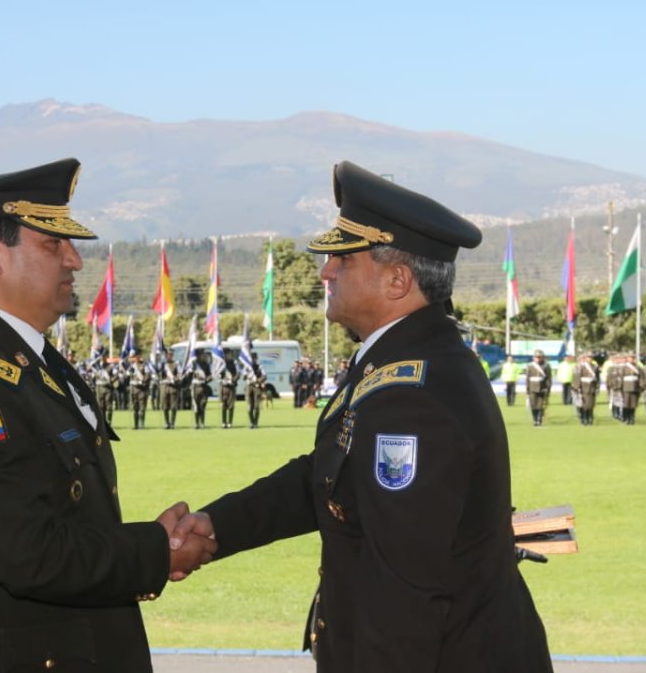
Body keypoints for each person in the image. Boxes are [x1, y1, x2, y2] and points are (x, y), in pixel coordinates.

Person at [171, 161, 551, 671]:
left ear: (397, 280)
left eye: (343, 260)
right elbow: (327, 477)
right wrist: (217, 525)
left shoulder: (412, 394)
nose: (325, 271)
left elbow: (405, 592)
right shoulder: (401, 361)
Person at [0, 158, 215, 673]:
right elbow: (30, 554)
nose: (75, 260)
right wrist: (156, 550)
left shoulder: (23, 354)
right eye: (53, 244)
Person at [525, 349, 551, 426]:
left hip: (542, 388)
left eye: (540, 357)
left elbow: (548, 379)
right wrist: (527, 389)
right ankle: (535, 419)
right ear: (534, 358)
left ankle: (539, 420)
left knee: (541, 405)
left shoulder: (546, 366)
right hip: (532, 387)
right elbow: (527, 378)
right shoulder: (530, 366)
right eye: (536, 357)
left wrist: (548, 388)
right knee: (533, 405)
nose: (538, 359)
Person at [574, 351, 599, 425]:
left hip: (592, 387)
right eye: (588, 357)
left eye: (591, 357)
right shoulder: (581, 367)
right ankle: (585, 418)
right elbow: (578, 377)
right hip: (583, 387)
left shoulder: (595, 366)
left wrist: (597, 387)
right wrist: (577, 387)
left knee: (591, 404)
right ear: (585, 358)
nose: (590, 359)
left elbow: (597, 378)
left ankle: (590, 418)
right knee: (584, 404)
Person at [189, 350, 212, 429]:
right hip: (195, 387)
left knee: (202, 406)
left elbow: (209, 375)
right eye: (202, 355)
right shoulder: (194, 364)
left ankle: (202, 423)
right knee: (196, 406)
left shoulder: (206, 365)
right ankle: (196, 423)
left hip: (203, 387)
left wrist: (207, 379)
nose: (203, 356)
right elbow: (189, 375)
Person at [245, 351, 266, 428]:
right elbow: (244, 376)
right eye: (252, 358)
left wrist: (258, 380)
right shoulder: (247, 367)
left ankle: (256, 422)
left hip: (257, 387)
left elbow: (264, 376)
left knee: (256, 407)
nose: (253, 360)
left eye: (254, 358)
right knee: (250, 407)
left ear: (256, 359)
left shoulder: (260, 367)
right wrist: (247, 376)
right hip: (249, 387)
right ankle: (251, 422)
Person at [219, 351, 238, 428]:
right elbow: (219, 374)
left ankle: (230, 422)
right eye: (227, 355)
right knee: (223, 405)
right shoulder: (221, 363)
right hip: (224, 387)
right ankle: (224, 423)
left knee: (231, 405)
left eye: (229, 354)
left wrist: (233, 380)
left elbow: (238, 373)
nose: (228, 356)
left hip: (231, 387)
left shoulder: (234, 363)